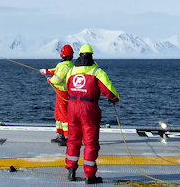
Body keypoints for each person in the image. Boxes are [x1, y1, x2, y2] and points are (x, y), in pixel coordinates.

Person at [63, 44, 120, 184]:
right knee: (90, 142)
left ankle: (71, 170)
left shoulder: (72, 71)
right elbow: (109, 91)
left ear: (80, 55)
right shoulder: (96, 71)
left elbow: (66, 86)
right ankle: (89, 175)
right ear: (91, 56)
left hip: (72, 107)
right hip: (88, 108)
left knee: (73, 139)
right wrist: (114, 99)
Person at [39, 44, 74, 145]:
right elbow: (56, 70)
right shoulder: (66, 66)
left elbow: (57, 79)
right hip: (60, 93)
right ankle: (60, 135)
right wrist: (46, 71)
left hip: (63, 93)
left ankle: (67, 138)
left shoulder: (64, 67)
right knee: (58, 114)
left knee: (64, 115)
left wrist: (50, 80)